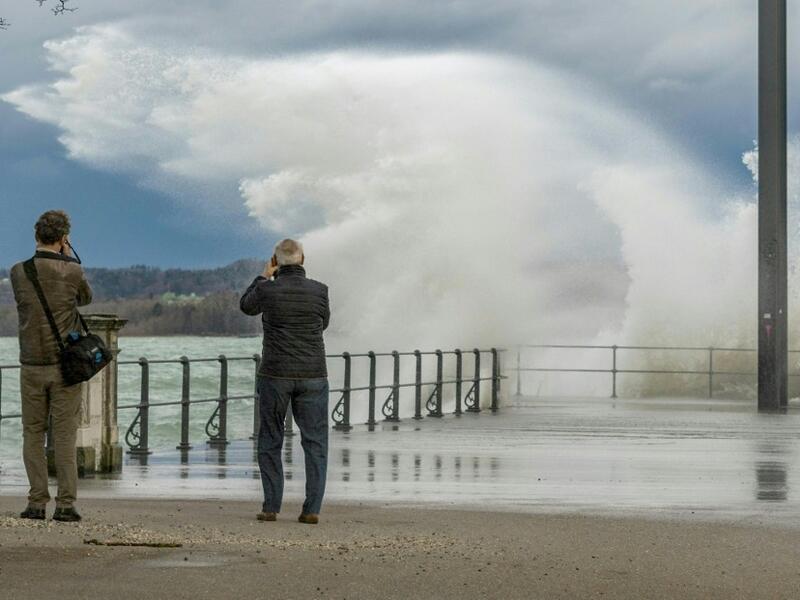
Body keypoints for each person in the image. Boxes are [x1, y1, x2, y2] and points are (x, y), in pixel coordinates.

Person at [240, 238, 331, 524]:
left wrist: (263, 275)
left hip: (275, 374)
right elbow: (323, 323)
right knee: (315, 442)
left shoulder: (267, 290)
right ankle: (311, 509)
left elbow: (246, 306)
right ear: (302, 259)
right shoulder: (319, 291)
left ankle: (271, 507)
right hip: (313, 374)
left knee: (270, 438)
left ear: (276, 261)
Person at [10, 210, 92, 522]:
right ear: (62, 239)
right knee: (65, 436)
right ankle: (66, 505)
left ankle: (36, 502)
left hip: (31, 364)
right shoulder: (73, 272)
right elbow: (85, 299)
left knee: (32, 433)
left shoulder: (18, 272)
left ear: (36, 236)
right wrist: (70, 257)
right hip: (65, 367)